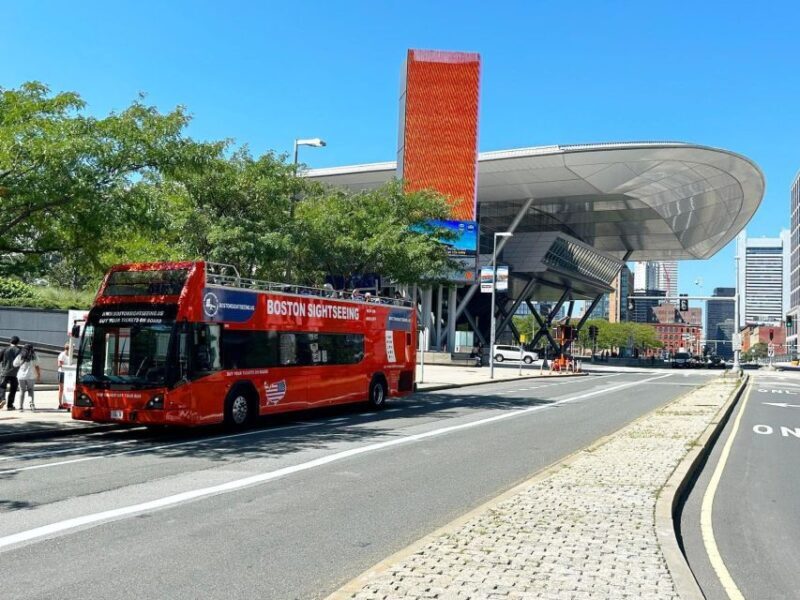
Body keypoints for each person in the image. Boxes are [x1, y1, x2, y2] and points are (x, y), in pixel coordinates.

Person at [13, 344, 41, 411]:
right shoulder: (34, 356)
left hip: (21, 376)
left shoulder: (20, 356)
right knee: (30, 390)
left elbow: (14, 364)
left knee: (22, 390)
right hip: (31, 376)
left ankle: (20, 406)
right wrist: (38, 375)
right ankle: (31, 403)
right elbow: (37, 366)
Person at [1, 336, 22, 410]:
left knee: (2, 386)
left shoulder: (5, 349)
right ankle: (10, 405)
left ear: (10, 342)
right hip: (15, 373)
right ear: (18, 343)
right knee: (13, 389)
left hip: (5, 372)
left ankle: (2, 399)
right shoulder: (19, 350)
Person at [57, 342, 70, 409]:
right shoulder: (62, 355)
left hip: (67, 373)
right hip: (62, 372)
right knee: (61, 389)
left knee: (66, 389)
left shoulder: (69, 355)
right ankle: (60, 404)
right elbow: (59, 364)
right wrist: (66, 367)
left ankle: (66, 402)